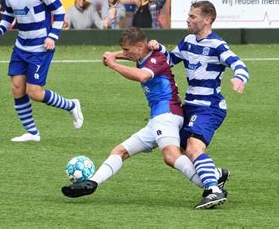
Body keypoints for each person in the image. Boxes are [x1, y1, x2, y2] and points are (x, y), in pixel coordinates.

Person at [61, 27, 228, 209]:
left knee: (171, 155)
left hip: (168, 116)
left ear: (140, 47)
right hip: (157, 119)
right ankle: (91, 184)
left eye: (126, 50)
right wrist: (114, 55)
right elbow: (133, 55)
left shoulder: (157, 59)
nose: (125, 53)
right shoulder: (143, 55)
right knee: (120, 151)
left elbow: (142, 76)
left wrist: (114, 64)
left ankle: (211, 186)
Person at [149, 0, 249, 208]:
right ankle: (216, 175)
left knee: (194, 149)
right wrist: (158, 48)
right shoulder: (188, 41)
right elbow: (169, 60)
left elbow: (238, 64)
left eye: (192, 16)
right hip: (190, 106)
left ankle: (213, 190)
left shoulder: (217, 45)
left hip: (209, 107)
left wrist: (240, 78)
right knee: (177, 152)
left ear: (207, 20)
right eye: (188, 15)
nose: (187, 19)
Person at [0, 0, 83, 142]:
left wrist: (52, 37)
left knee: (35, 93)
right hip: (21, 46)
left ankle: (71, 105)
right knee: (17, 88)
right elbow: (8, 15)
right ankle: (32, 133)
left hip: (41, 47)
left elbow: (59, 12)